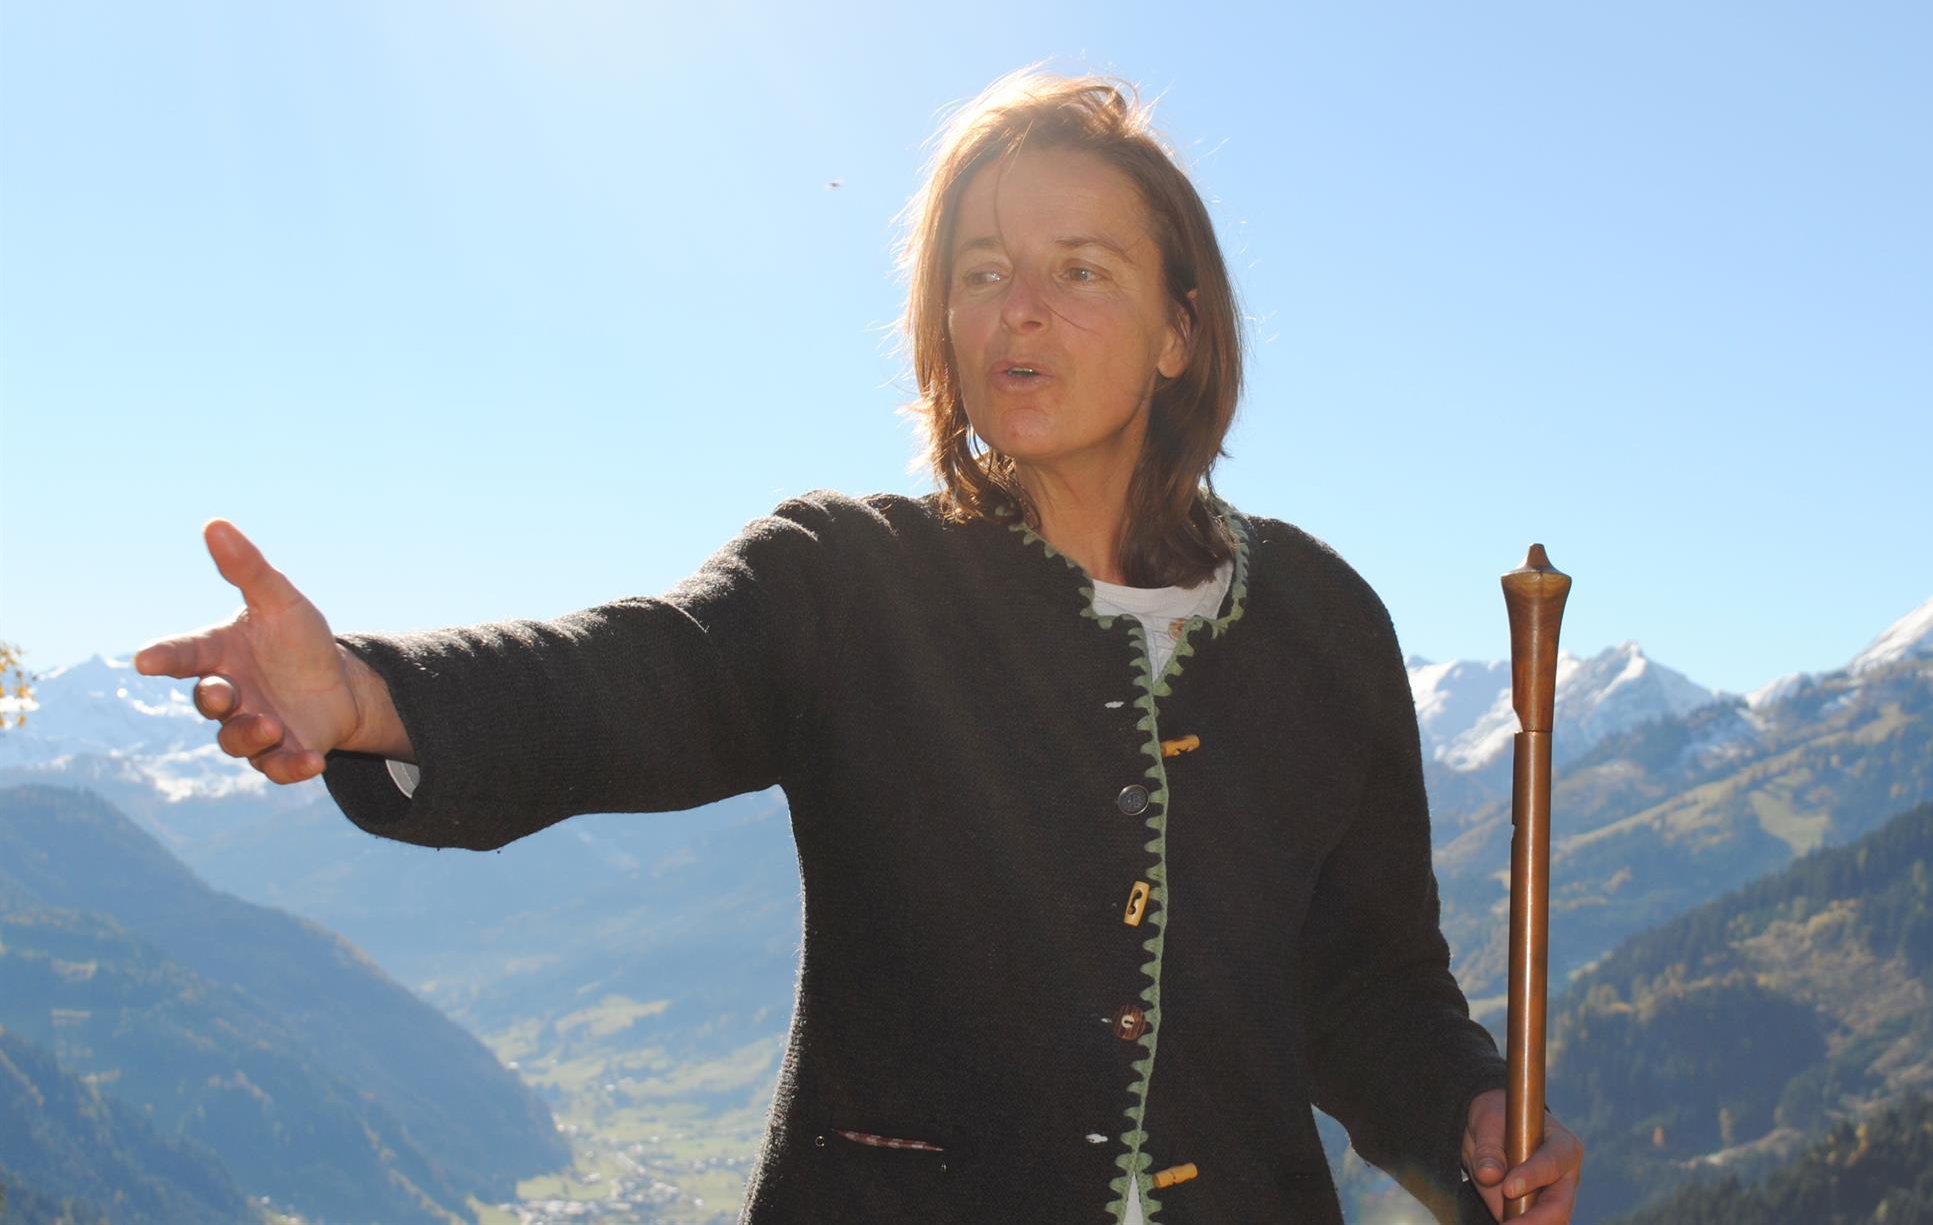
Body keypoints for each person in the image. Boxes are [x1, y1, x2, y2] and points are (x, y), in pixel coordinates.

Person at [134, 68, 1583, 1225]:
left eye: (1081, 270)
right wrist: (369, 692)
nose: (1019, 309)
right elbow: (620, 679)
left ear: (1178, 333)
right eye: (981, 270)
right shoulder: (849, 583)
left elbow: (1368, 986)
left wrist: (1467, 1111)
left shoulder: (1323, 623)